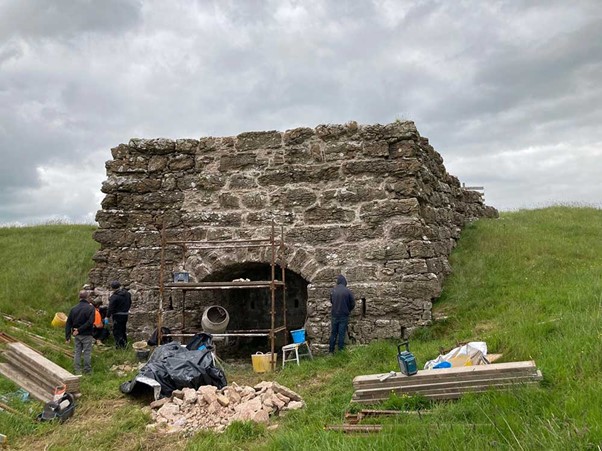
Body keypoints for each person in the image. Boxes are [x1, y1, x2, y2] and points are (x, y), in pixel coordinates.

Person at [65, 290, 96, 374]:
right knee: (87, 352)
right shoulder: (91, 308)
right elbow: (90, 322)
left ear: (79, 297)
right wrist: (79, 330)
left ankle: (77, 370)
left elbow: (68, 323)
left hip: (76, 334)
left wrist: (67, 336)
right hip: (86, 333)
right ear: (87, 297)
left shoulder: (73, 309)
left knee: (77, 352)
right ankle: (87, 370)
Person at [329, 274, 355, 353]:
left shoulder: (333, 291)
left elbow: (331, 301)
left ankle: (331, 351)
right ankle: (340, 351)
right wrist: (348, 309)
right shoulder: (348, 291)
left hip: (334, 315)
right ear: (344, 282)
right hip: (344, 315)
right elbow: (353, 303)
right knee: (341, 334)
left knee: (333, 333)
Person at [107, 280, 132, 349]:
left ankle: (119, 346)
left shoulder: (114, 297)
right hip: (125, 314)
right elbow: (130, 302)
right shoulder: (127, 294)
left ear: (112, 288)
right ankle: (125, 344)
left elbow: (111, 307)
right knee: (123, 330)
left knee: (117, 331)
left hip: (117, 315)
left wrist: (107, 316)